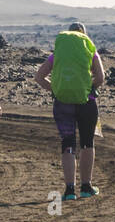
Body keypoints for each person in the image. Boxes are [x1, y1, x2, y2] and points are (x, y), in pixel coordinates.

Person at [34, 21, 105, 200]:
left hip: (62, 103)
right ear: (84, 35)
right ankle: (86, 186)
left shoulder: (57, 54)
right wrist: (87, 88)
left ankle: (69, 190)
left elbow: (39, 77)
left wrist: (57, 90)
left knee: (67, 143)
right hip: (87, 103)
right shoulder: (90, 51)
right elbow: (101, 77)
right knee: (87, 142)